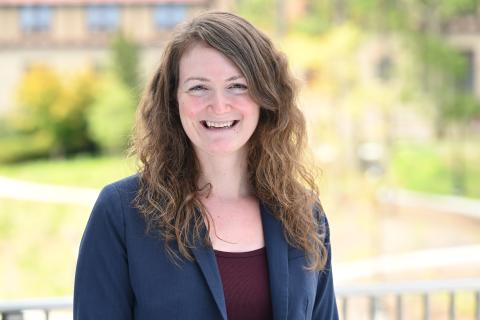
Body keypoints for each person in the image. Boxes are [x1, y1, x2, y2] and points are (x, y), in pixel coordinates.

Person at [74, 11, 338, 320]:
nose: (219, 105)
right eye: (199, 87)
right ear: (173, 99)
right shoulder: (122, 213)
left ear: (265, 97)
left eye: (237, 86)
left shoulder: (303, 212)